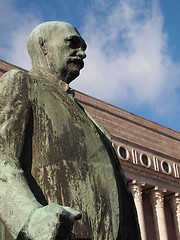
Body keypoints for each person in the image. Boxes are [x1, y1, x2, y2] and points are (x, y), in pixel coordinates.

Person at [0, 21, 141, 240]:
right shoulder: (21, 83)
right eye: (73, 43)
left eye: (83, 46)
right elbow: (3, 159)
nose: (82, 53)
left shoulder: (96, 125)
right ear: (43, 46)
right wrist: (29, 217)